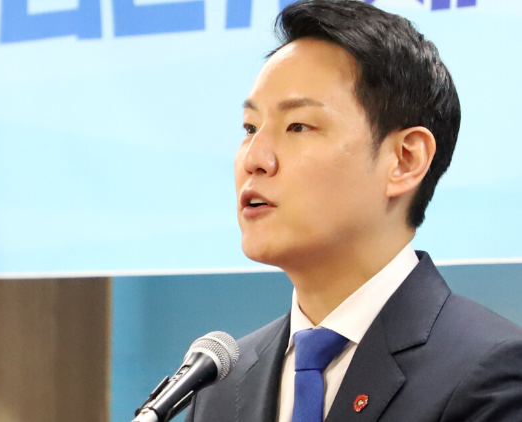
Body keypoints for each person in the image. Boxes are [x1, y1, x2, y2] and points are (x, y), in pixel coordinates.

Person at [184, 1, 522, 421]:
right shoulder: (218, 388)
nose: (254, 159)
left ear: (405, 160)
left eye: (298, 126)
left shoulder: (490, 373)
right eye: (250, 128)